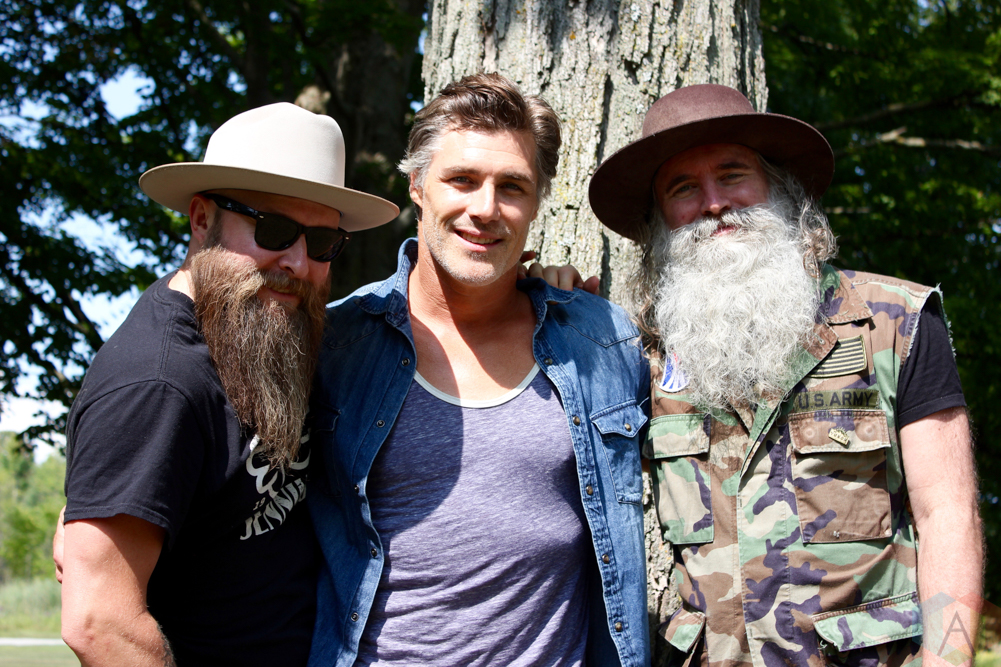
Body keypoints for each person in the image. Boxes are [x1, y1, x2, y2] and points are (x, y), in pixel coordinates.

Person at [587, 83, 983, 667]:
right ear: (659, 220)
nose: (714, 203)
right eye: (683, 188)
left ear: (780, 188)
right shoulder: (637, 359)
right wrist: (550, 297)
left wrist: (948, 660)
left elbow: (947, 512)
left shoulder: (896, 323)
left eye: (733, 175)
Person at [305, 73, 650, 667]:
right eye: (461, 180)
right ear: (417, 185)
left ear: (538, 201)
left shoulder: (600, 341)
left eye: (512, 187)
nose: (485, 209)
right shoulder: (336, 346)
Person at [59, 103, 399, 666]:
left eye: (322, 242)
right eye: (274, 229)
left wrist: (532, 297)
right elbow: (100, 622)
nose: (297, 261)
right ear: (201, 219)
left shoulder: (266, 329)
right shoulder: (157, 384)